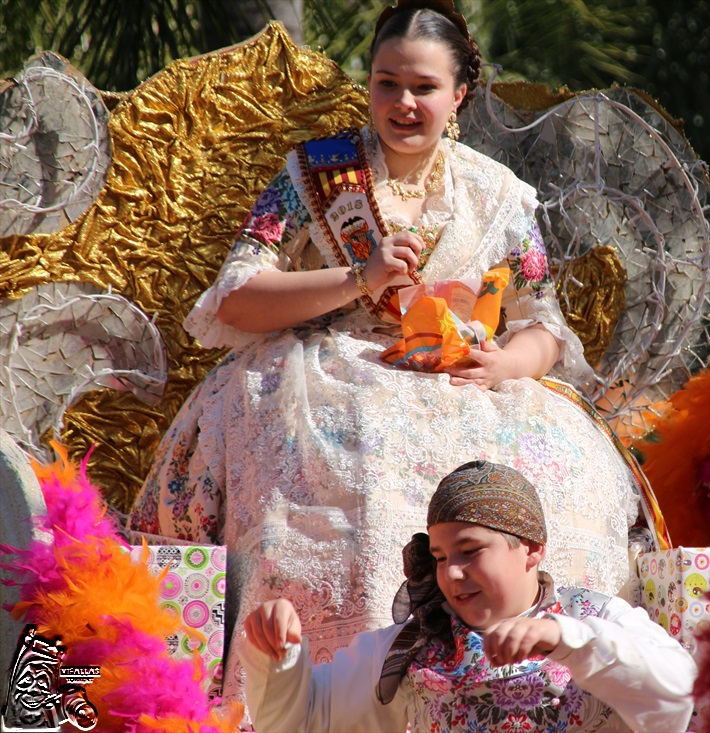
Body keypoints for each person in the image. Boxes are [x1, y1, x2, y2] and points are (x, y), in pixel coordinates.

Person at [128, 0, 651, 705]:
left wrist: (502, 364)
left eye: (424, 88)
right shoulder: (315, 172)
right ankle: (301, 697)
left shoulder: (497, 195)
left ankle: (530, 695)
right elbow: (236, 297)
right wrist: (358, 278)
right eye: (386, 83)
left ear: (459, 93)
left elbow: (546, 328)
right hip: (321, 379)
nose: (403, 103)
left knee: (563, 484)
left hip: (471, 386)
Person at [240, 461, 696, 732]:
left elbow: (677, 695)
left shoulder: (593, 616)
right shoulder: (413, 646)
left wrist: (566, 639)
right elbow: (304, 722)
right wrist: (277, 655)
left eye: (471, 551)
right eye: (439, 556)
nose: (452, 573)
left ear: (532, 549)